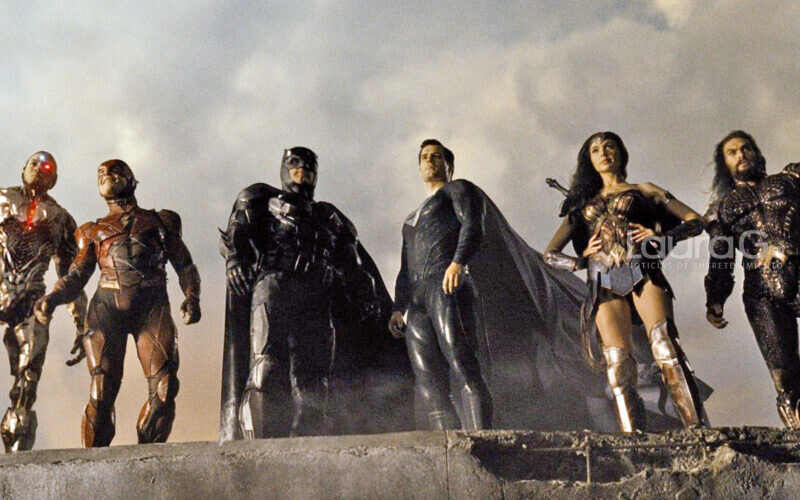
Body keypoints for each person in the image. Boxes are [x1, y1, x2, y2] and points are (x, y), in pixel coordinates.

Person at [219, 147, 409, 441]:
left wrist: (367, 296)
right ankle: (257, 449)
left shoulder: (330, 217)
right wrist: (234, 261)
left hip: (317, 297)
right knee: (266, 368)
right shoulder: (260, 198)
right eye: (294, 162)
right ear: (283, 168)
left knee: (313, 382)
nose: (302, 168)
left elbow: (354, 264)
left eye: (309, 165)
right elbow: (237, 234)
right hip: (275, 288)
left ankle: (307, 448)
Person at [544, 131, 708, 432]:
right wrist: (580, 261)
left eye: (609, 146)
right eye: (595, 150)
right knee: (618, 364)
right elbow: (550, 255)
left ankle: (697, 429)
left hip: (642, 269)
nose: (603, 153)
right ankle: (635, 438)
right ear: (589, 160)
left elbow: (696, 220)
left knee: (665, 345)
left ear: (621, 152)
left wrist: (661, 236)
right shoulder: (580, 205)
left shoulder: (644, 189)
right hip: (603, 280)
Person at [34, 159, 201, 447]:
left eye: (114, 170)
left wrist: (192, 295)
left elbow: (184, 264)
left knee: (164, 390)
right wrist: (52, 298)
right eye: (100, 173)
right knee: (100, 392)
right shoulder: (90, 231)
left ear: (132, 179)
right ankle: (93, 463)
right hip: (106, 308)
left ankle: (146, 460)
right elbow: (76, 275)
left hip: (152, 306)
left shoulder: (163, 221)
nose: (106, 174)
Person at [389, 139, 493, 430]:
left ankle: (482, 438)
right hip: (417, 298)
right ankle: (447, 443)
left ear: (449, 164)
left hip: (446, 283)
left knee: (461, 362)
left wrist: (459, 262)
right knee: (428, 380)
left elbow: (473, 224)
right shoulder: (411, 219)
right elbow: (405, 267)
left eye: (436, 156)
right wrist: (398, 307)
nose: (429, 161)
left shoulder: (457, 189)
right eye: (424, 157)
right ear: (419, 166)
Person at [704, 130, 800, 428]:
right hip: (760, 289)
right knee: (784, 376)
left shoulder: (790, 179)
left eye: (746, 148)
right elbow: (720, 257)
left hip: (797, 262)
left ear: (757, 153)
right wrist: (715, 299)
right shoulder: (722, 209)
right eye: (732, 152)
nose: (741, 154)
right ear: (724, 164)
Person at [0, 152, 86, 452]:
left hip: (30, 301)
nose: (39, 168)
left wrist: (82, 323)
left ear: (54, 178)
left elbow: (71, 274)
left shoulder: (60, 218)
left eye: (46, 165)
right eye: (33, 163)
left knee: (28, 381)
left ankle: (16, 457)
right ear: (23, 169)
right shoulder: (3, 199)